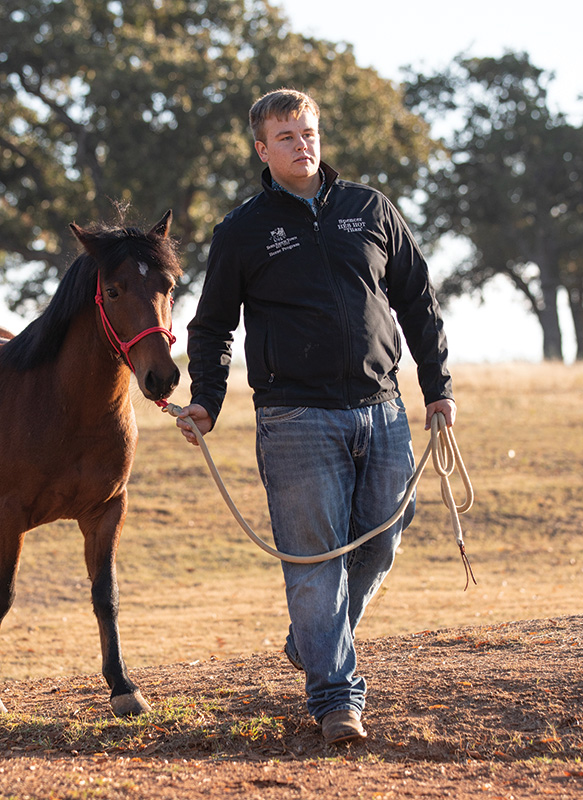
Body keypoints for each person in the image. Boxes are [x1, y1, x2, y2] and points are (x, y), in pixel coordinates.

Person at [175, 88, 455, 744]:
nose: (303, 145)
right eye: (287, 137)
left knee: (386, 534)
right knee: (313, 559)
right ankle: (336, 700)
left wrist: (437, 388)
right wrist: (206, 401)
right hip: (294, 419)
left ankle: (314, 638)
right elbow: (212, 326)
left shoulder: (370, 208)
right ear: (261, 149)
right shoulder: (242, 230)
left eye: (309, 133)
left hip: (381, 409)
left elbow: (418, 302)